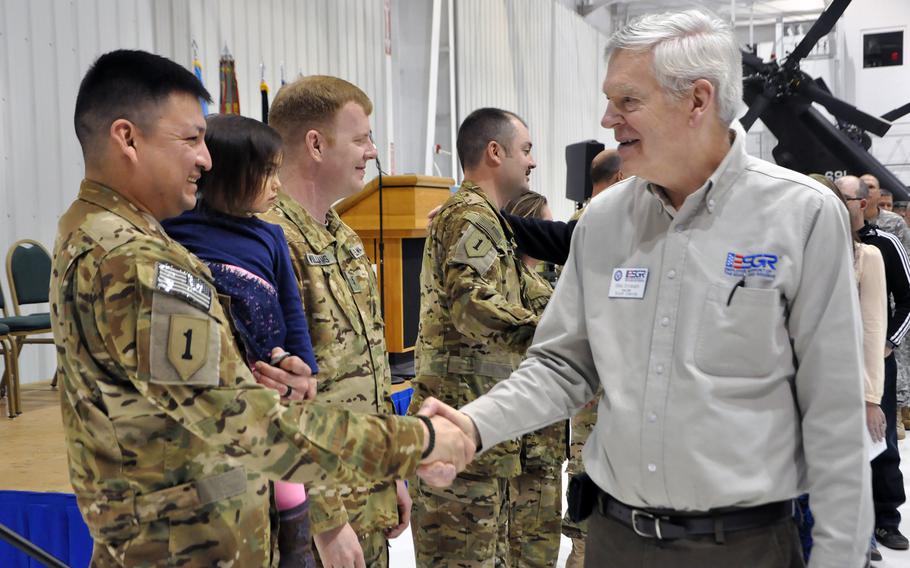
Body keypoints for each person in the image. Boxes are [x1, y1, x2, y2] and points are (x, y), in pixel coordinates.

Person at [423, 10, 874, 567]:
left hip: (743, 548)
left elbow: (834, 418)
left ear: (697, 100)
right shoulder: (604, 221)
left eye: (627, 101)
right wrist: (472, 426)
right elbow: (564, 365)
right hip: (616, 541)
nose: (609, 119)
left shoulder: (801, 217)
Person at [52, 49, 473, 566]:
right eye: (190, 139)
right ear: (127, 138)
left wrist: (261, 375)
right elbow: (252, 426)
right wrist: (420, 441)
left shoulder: (101, 233)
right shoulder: (135, 261)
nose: (206, 160)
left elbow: (188, 396)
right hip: (185, 547)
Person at [260, 75, 411, 568]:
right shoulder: (268, 241)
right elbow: (275, 399)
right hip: (314, 514)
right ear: (316, 145)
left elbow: (368, 368)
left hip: (366, 492)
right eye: (362, 138)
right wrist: (323, 521)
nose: (372, 151)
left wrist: (393, 474)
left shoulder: (341, 235)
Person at [161, 113, 320, 567]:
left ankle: (296, 548)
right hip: (216, 400)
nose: (277, 183)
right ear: (228, 173)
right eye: (266, 171)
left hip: (275, 388)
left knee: (288, 480)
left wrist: (301, 366)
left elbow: (293, 313)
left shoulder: (271, 236)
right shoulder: (176, 231)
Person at [408, 107, 542, 567]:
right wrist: (545, 334)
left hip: (479, 433)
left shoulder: (489, 219)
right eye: (525, 150)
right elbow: (471, 306)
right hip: (460, 428)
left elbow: (526, 292)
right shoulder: (471, 217)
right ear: (494, 152)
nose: (531, 162)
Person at [836, 175, 910, 554]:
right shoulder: (827, 245)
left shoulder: (884, 243)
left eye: (844, 199)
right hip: (836, 360)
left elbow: (907, 299)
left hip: (876, 356)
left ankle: (886, 520)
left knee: (880, 440)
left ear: (861, 203)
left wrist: (887, 342)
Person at [501, 190, 566, 568]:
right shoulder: (524, 288)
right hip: (531, 447)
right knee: (530, 550)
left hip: (538, 442)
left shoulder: (529, 279)